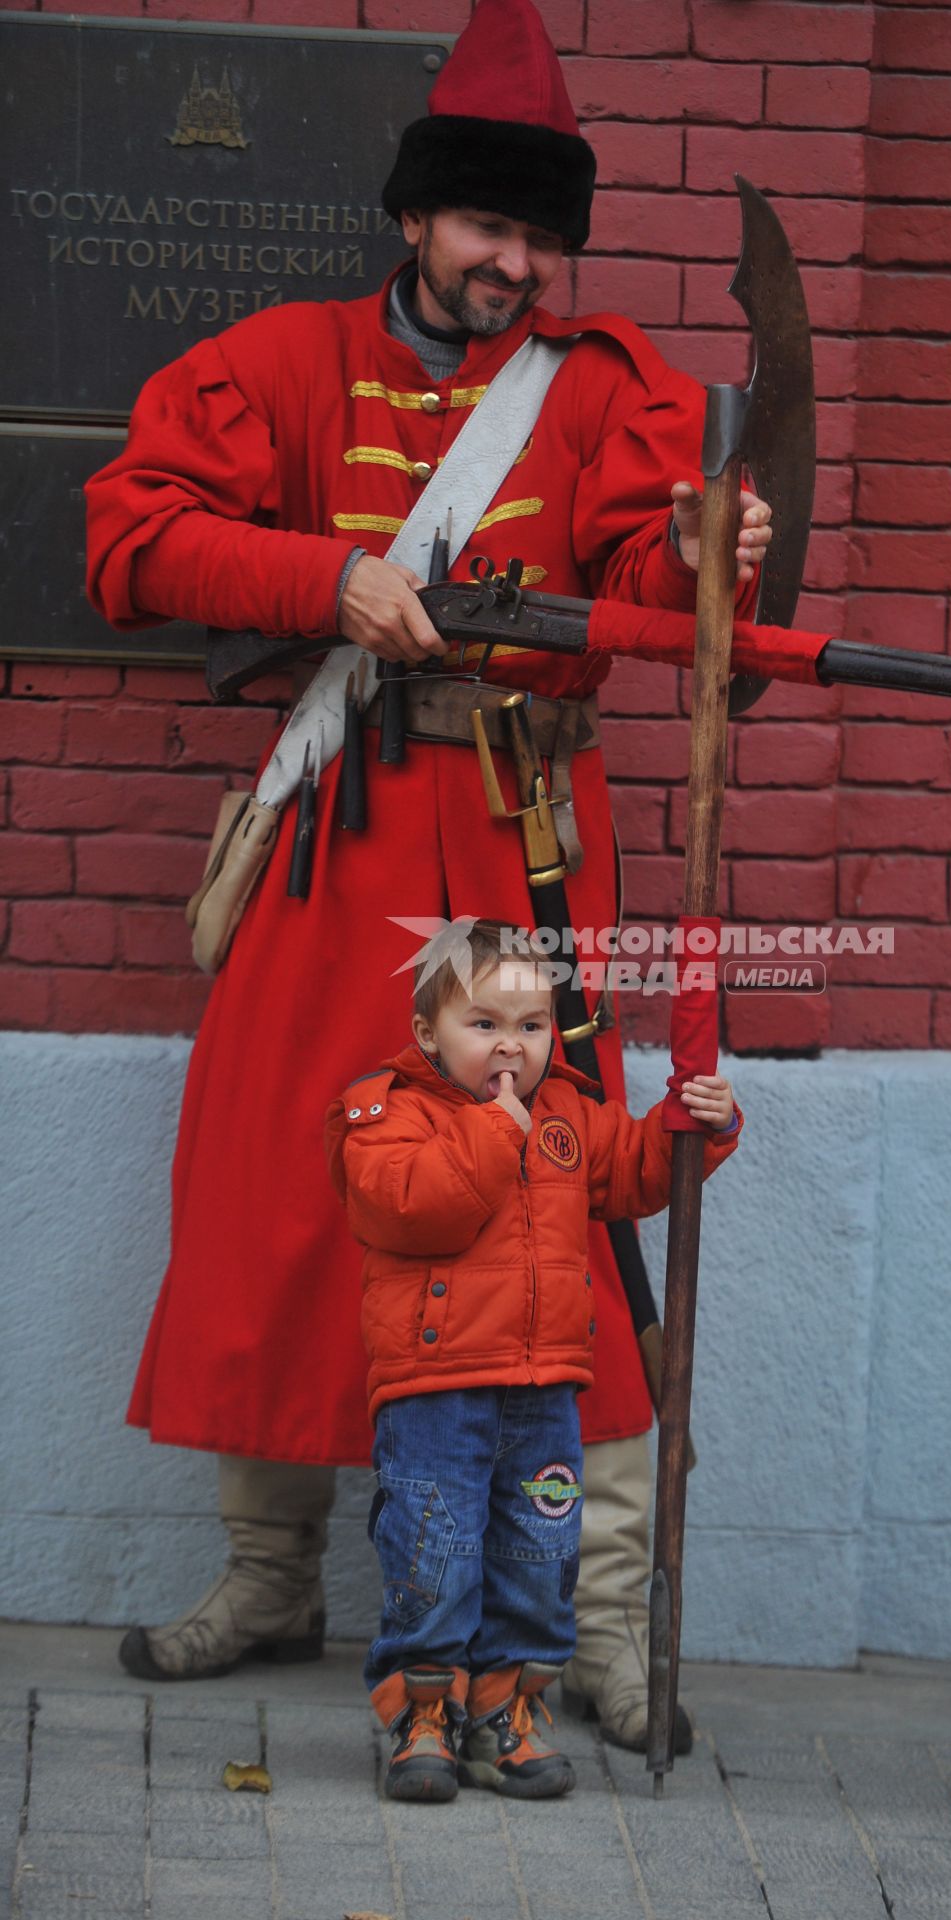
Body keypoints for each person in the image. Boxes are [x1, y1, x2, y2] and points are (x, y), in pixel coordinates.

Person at [82, 0, 771, 1749]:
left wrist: (709, 548)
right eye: (488, 228)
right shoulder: (283, 363)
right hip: (337, 846)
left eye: (543, 237)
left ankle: (596, 1624)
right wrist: (323, 583)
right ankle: (270, 1572)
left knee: (566, 1203)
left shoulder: (615, 390)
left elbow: (670, 589)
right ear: (414, 218)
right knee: (281, 1185)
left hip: (531, 846)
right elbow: (131, 534)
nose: (517, 265)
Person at [325, 919, 740, 1800]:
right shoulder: (384, 1112)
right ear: (426, 1029)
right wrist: (494, 1131)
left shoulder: (567, 1117)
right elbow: (412, 1208)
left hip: (544, 1388)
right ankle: (424, 1717)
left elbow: (633, 1174)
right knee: (432, 1556)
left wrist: (693, 1125)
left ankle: (507, 1714)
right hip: (436, 1391)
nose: (512, 1045)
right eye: (483, 1025)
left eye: (533, 1025)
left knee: (537, 1558)